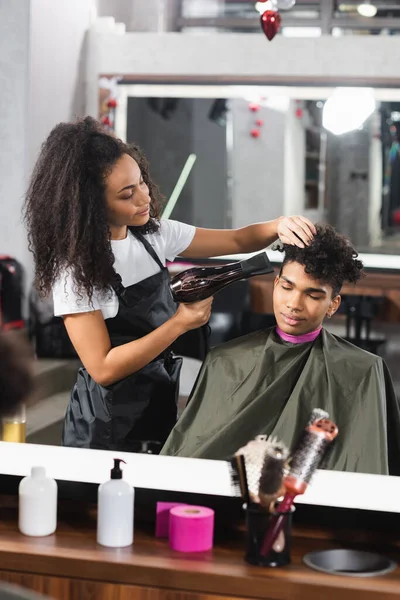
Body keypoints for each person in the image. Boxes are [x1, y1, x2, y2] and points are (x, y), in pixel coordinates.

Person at [23, 116, 316, 453]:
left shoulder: (153, 235)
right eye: (127, 194)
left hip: (157, 399)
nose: (144, 198)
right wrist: (180, 324)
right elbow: (103, 368)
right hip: (105, 424)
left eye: (142, 182)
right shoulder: (77, 272)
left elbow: (237, 241)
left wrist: (279, 224)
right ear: (90, 206)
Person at [161, 224, 400, 476]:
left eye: (313, 295)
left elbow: (364, 466)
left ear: (333, 304)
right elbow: (190, 454)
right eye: (287, 287)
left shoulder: (363, 371)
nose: (294, 305)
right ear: (276, 284)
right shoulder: (224, 360)